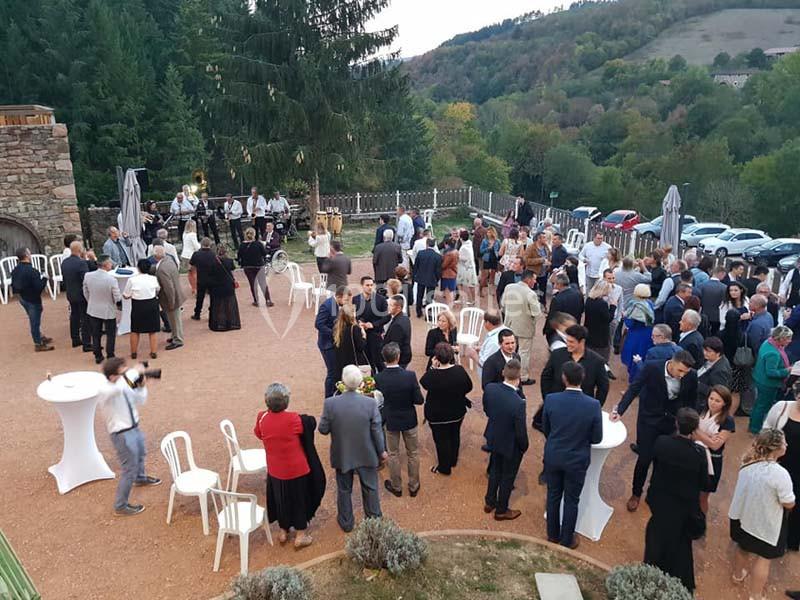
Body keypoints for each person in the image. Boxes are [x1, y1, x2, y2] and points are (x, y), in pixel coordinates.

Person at [611, 351, 698, 512]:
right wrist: (620, 410)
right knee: (644, 459)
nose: (682, 375)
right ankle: (636, 493)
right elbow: (634, 388)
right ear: (671, 362)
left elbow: (692, 400)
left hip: (672, 422)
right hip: (649, 420)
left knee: (663, 460)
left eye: (685, 372)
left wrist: (689, 424)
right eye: (679, 371)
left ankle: (653, 492)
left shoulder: (690, 376)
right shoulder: (652, 367)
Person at [642, 408, 708, 593]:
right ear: (695, 429)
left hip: (660, 499)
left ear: (677, 424)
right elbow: (704, 482)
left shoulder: (662, 442)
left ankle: (650, 573)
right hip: (683, 505)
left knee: (656, 535)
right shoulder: (698, 454)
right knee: (680, 543)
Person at [254, 382, 324, 548]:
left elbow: (258, 434)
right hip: (297, 469)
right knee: (300, 500)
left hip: (275, 469)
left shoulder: (262, 417)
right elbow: (309, 424)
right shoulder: (294, 419)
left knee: (280, 499)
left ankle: (283, 531)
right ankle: (300, 534)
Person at [318, 365, 387, 532]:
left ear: (343, 381)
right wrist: (382, 451)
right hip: (367, 452)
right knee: (370, 488)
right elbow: (377, 430)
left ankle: (346, 522)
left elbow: (323, 429)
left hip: (343, 454)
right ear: (360, 383)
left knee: (344, 490)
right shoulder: (370, 403)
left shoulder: (330, 403)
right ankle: (374, 521)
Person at [730, 429, 795, 600]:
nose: (786, 445)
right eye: (784, 442)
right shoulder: (781, 474)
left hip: (743, 518)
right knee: (764, 559)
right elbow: (788, 503)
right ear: (776, 448)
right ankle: (756, 596)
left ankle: (737, 575)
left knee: (743, 548)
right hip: (767, 524)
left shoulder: (747, 463)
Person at [543, 361, 603, 548]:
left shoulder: (551, 399)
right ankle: (566, 539)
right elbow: (597, 438)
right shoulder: (593, 405)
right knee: (571, 500)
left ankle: (552, 535)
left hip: (554, 456)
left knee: (553, 495)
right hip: (577, 460)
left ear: (564, 378)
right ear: (582, 379)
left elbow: (546, 429)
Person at [96, 357, 161, 516]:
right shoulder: (105, 390)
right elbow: (118, 389)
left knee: (141, 454)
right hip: (122, 434)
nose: (127, 373)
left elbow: (140, 400)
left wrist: (141, 385)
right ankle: (120, 505)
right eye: (122, 371)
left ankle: (140, 478)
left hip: (134, 427)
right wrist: (133, 373)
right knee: (128, 468)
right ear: (112, 376)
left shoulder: (123, 384)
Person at [375, 343, 424, 496]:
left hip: (391, 421)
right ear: (398, 357)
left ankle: (396, 486)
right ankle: (414, 485)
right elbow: (419, 400)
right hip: (409, 419)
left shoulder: (379, 378)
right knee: (413, 453)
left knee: (393, 454)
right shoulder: (410, 376)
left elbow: (378, 401)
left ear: (384, 359)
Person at [419, 342, 474, 476]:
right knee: (455, 435)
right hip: (457, 411)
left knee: (441, 440)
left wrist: (432, 367)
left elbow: (423, 382)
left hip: (437, 416)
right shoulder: (459, 371)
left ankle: (444, 467)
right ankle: (453, 460)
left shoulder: (432, 375)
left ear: (436, 358)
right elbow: (469, 387)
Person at [483, 360, 529, 520]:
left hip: (494, 437)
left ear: (503, 373)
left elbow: (487, 410)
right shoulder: (519, 403)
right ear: (519, 377)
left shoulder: (490, 389)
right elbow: (521, 432)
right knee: (508, 476)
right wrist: (524, 447)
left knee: (495, 469)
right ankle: (501, 510)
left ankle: (489, 502)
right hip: (511, 445)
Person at [764, 381, 800, 552]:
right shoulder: (782, 407)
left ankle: (791, 539)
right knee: (771, 500)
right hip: (777, 464)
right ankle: (767, 535)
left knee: (795, 504)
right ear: (797, 395)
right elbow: (766, 429)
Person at [540, 324, 610, 407]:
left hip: (583, 408)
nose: (568, 344)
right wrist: (548, 399)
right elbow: (546, 377)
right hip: (557, 405)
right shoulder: (557, 355)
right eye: (567, 341)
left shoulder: (597, 361)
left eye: (571, 342)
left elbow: (603, 387)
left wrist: (595, 406)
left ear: (582, 342)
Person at [694, 385, 735, 512]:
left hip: (712, 460)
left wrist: (697, 432)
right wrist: (709, 438)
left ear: (725, 403)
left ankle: (699, 523)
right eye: (711, 398)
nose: (713, 402)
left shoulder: (728, 421)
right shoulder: (701, 410)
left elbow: (715, 445)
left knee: (703, 496)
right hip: (694, 454)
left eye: (718, 401)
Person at [501, 270, 542, 385]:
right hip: (525, 327)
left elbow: (503, 304)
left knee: (508, 349)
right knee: (524, 352)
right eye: (534, 279)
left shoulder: (509, 287)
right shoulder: (531, 294)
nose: (535, 281)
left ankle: (507, 372)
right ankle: (523, 377)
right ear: (528, 280)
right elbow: (536, 313)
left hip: (509, 324)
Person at [750, 325, 793, 433]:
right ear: (781, 338)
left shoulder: (768, 343)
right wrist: (787, 370)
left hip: (760, 379)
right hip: (767, 384)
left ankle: (753, 425)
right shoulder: (773, 353)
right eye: (788, 338)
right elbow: (771, 372)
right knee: (763, 406)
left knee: (758, 404)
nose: (790, 341)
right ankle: (756, 429)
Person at [10, 247, 53, 352]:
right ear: (26, 256)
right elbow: (39, 288)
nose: (31, 255)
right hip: (33, 300)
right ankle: (38, 344)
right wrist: (45, 278)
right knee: (34, 322)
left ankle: (40, 336)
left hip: (23, 298)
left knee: (34, 320)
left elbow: (14, 286)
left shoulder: (15, 270)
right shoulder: (32, 271)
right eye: (29, 253)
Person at [83, 254, 122, 364]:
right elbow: (117, 296)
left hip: (93, 308)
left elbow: (85, 291)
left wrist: (91, 301)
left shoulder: (88, 276)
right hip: (108, 309)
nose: (111, 264)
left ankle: (98, 355)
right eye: (110, 263)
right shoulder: (111, 279)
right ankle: (110, 354)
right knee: (110, 333)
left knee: (96, 333)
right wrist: (115, 303)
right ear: (105, 265)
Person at [316, 287, 352, 397]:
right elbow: (319, 324)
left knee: (336, 370)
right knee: (332, 372)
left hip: (333, 343)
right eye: (346, 300)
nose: (347, 303)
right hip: (327, 345)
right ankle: (329, 397)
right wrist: (334, 333)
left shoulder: (337, 305)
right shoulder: (327, 306)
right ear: (338, 297)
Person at [123, 259, 160, 360]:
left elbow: (126, 295)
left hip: (138, 305)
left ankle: (134, 352)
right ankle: (153, 352)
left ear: (138, 268)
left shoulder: (132, 280)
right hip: (151, 304)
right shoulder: (153, 279)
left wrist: (130, 295)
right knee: (152, 330)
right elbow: (157, 290)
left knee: (135, 330)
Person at [60, 241, 93, 351]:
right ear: (80, 250)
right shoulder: (81, 263)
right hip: (81, 294)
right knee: (85, 318)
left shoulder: (65, 262)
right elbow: (86, 279)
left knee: (74, 316)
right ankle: (86, 343)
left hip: (70, 293)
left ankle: (75, 339)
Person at [151, 246, 185, 350]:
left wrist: (171, 302)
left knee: (174, 320)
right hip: (177, 294)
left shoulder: (161, 269)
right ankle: (175, 336)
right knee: (175, 319)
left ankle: (178, 339)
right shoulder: (169, 260)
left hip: (171, 298)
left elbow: (168, 287)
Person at [621, 284, 656, 380]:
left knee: (634, 360)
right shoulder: (650, 303)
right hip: (648, 334)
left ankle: (633, 383)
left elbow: (630, 324)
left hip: (636, 336)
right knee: (643, 358)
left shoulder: (636, 306)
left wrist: (624, 316)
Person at [207, 245, 241, 332]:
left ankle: (219, 324)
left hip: (216, 286)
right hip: (228, 286)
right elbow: (232, 268)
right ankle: (232, 323)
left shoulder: (212, 262)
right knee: (230, 305)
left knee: (218, 306)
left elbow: (210, 274)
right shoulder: (229, 261)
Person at [237, 227, 273, 308]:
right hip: (259, 266)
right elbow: (264, 254)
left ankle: (256, 301)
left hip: (247, 266)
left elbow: (239, 256)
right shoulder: (258, 244)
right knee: (263, 283)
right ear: (254, 235)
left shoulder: (242, 245)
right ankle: (268, 300)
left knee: (253, 284)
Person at [333, 304, 367, 381]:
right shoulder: (354, 329)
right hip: (353, 365)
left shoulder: (337, 328)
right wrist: (364, 336)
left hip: (341, 365)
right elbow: (361, 346)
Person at [696, 337, 732, 406]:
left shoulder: (720, 371)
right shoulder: (712, 359)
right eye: (704, 350)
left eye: (708, 351)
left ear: (718, 353)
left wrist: (698, 384)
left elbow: (719, 392)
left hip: (704, 403)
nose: (705, 353)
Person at [585, 280, 613, 361]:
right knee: (602, 358)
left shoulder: (589, 300)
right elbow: (608, 319)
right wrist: (613, 307)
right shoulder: (602, 304)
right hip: (601, 336)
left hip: (590, 332)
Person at [413, 238, 442, 317]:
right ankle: (428, 315)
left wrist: (415, 275)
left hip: (421, 277)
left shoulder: (420, 253)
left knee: (419, 295)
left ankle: (418, 313)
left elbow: (416, 266)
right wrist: (437, 279)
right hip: (432, 279)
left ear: (427, 244)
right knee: (429, 298)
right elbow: (438, 271)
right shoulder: (438, 256)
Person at [189, 236, 215, 320]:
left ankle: (197, 313)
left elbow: (191, 266)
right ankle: (213, 312)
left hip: (201, 278)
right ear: (210, 245)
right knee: (213, 297)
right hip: (212, 278)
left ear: (201, 244)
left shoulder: (196, 254)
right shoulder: (213, 254)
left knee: (200, 297)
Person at [382, 295, 412, 368]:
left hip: (399, 359)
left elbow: (395, 346)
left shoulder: (397, 325)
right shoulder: (405, 317)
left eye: (391, 305)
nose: (388, 307)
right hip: (405, 355)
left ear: (398, 308)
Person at [698, 266, 728, 336]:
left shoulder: (701, 286)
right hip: (717, 317)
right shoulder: (724, 287)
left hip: (703, 315)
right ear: (721, 273)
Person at [457, 230, 478, 305]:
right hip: (470, 268)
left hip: (465, 268)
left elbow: (462, 258)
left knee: (460, 283)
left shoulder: (463, 248)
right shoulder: (469, 243)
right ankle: (473, 300)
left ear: (461, 238)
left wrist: (457, 256)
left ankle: (465, 299)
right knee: (469, 285)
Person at [180, 220, 201, 295]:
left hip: (184, 255)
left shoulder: (184, 234)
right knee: (195, 273)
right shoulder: (192, 234)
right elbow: (196, 246)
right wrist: (201, 245)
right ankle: (197, 289)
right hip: (191, 256)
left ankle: (193, 288)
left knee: (190, 273)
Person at [479, 226, 501, 295]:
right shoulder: (484, 241)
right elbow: (481, 251)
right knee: (485, 276)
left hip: (494, 259)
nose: (488, 233)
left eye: (489, 232)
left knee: (492, 276)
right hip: (487, 259)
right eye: (487, 232)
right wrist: (488, 248)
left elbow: (499, 250)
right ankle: (480, 290)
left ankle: (491, 291)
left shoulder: (497, 241)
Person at [440, 241, 458, 306]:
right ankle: (451, 304)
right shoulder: (456, 252)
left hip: (447, 274)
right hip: (453, 273)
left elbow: (444, 265)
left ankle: (449, 306)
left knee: (448, 291)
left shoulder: (449, 254)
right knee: (451, 291)